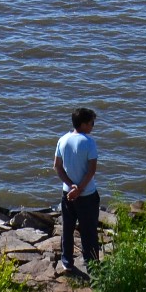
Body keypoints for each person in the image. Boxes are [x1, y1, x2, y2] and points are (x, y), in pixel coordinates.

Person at [54, 107, 101, 276]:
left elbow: (57, 167)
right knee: (89, 231)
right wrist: (79, 189)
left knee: (67, 228)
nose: (93, 126)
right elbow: (91, 170)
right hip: (87, 195)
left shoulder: (62, 140)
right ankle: (92, 266)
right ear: (83, 124)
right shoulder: (89, 142)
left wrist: (71, 186)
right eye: (91, 123)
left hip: (67, 193)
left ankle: (67, 263)